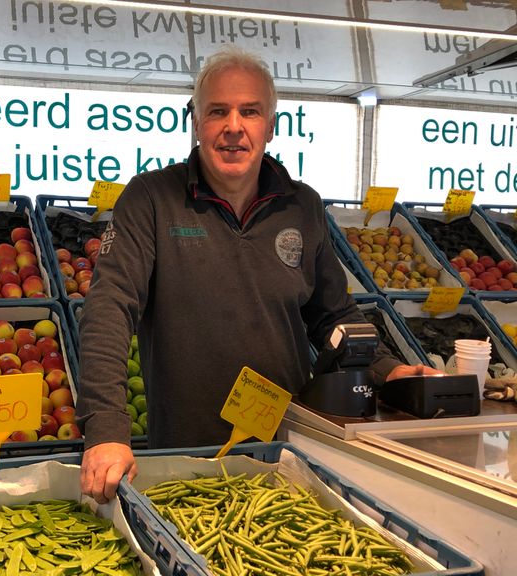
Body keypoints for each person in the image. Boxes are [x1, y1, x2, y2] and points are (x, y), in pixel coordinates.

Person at [76, 46, 437, 504]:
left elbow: (333, 314)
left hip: (286, 447)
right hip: (186, 455)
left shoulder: (302, 204)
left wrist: (389, 369)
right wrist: (106, 427)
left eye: (249, 111)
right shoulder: (151, 197)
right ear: (196, 122)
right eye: (217, 111)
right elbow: (109, 307)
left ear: (270, 125)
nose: (233, 127)